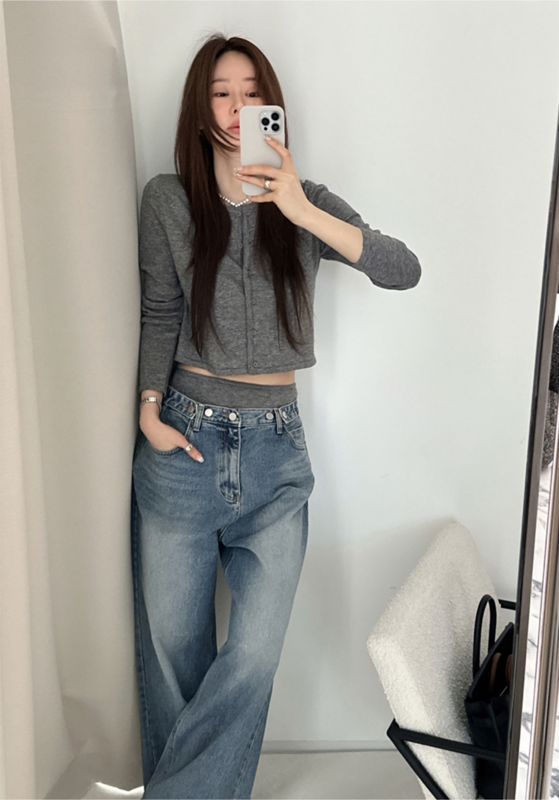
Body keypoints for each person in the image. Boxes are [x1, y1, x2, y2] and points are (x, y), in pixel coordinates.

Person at [131, 32, 422, 800]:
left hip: (275, 453)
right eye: (222, 93)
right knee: (172, 655)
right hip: (183, 440)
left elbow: (402, 269)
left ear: (272, 105)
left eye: (252, 92)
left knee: (254, 655)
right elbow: (159, 311)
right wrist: (149, 413)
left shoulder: (305, 199)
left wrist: (298, 209)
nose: (238, 107)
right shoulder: (167, 200)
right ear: (200, 109)